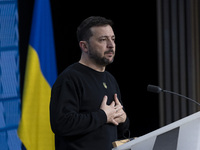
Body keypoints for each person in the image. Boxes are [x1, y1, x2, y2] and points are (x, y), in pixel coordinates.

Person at [50, 16, 130, 150]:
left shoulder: (110, 79)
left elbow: (116, 129)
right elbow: (62, 124)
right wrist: (103, 116)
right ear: (84, 46)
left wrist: (123, 119)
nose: (111, 45)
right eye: (103, 40)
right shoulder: (70, 78)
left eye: (113, 39)